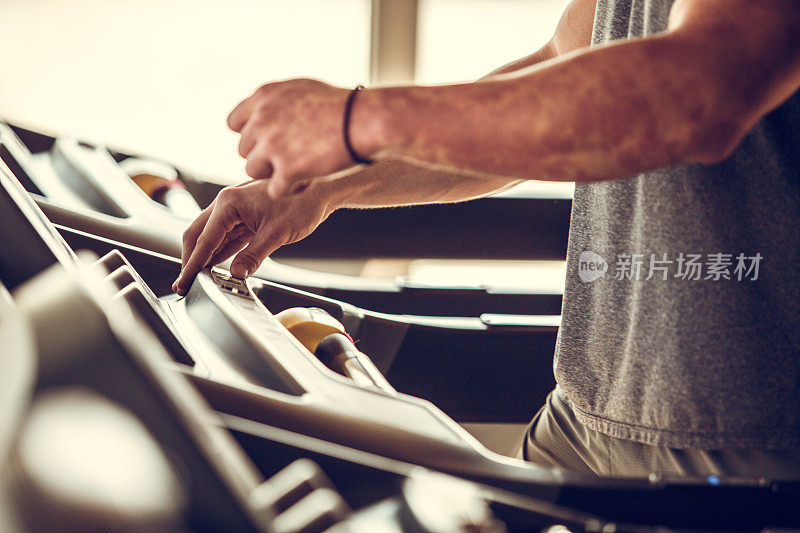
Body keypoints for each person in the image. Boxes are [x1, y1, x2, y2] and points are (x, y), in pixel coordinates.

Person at [172, 0, 800, 478]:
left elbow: (695, 94)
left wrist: (359, 120)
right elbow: (565, 70)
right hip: (586, 415)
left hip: (748, 446)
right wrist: (326, 182)